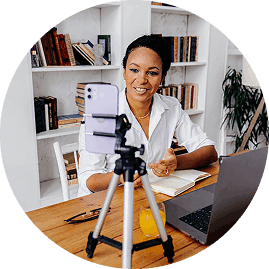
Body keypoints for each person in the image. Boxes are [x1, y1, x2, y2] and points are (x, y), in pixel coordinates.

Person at [78, 35, 218, 197]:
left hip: (152, 197)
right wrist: (121, 177)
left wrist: (176, 163)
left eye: (152, 73)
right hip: (108, 202)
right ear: (124, 72)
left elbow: (210, 151)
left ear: (163, 77)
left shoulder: (171, 106)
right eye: (134, 70)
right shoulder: (100, 113)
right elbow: (88, 181)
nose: (142, 79)